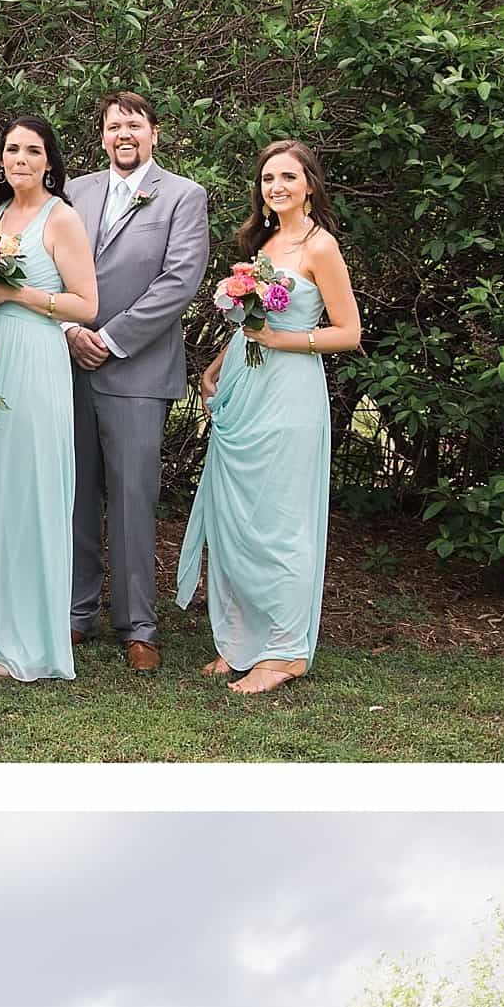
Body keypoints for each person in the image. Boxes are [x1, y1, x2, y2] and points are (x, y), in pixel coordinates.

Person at [177, 139, 363, 696]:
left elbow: (349, 332)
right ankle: (241, 641)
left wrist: (284, 341)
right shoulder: (264, 243)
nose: (275, 187)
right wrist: (215, 367)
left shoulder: (320, 247)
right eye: (266, 180)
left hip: (290, 393)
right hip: (245, 387)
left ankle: (284, 652)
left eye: (287, 177)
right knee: (239, 520)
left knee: (280, 521)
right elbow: (249, 324)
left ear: (310, 184)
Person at [60, 90, 211, 672]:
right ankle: (77, 612)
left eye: (135, 124)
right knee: (74, 495)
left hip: (137, 371)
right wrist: (73, 332)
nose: (124, 134)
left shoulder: (182, 196)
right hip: (70, 364)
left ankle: (139, 626)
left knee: (132, 500)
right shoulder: (76, 192)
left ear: (154, 133)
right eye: (113, 125)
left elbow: (180, 281)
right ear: (101, 136)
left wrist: (111, 338)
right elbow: (48, 265)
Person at [0, 115, 98, 683]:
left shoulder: (61, 218)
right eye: (12, 149)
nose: (21, 158)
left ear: (49, 162)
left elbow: (86, 304)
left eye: (32, 151)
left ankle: (26, 644)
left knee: (26, 491)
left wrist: (15, 293)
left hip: (35, 362)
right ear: (1, 159)